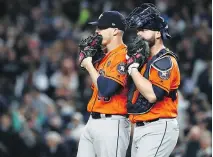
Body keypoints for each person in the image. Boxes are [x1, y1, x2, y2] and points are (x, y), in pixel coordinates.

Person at [125, 3, 180, 157]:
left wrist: (132, 69)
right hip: (142, 127)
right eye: (138, 31)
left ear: (157, 33)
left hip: (159, 126)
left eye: (144, 29)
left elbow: (152, 95)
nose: (139, 34)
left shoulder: (165, 61)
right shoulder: (144, 60)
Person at [76, 11, 131, 157]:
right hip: (92, 121)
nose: (97, 32)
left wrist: (89, 66)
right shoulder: (103, 56)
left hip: (112, 124)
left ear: (115, 31)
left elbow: (107, 89)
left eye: (101, 28)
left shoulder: (124, 55)